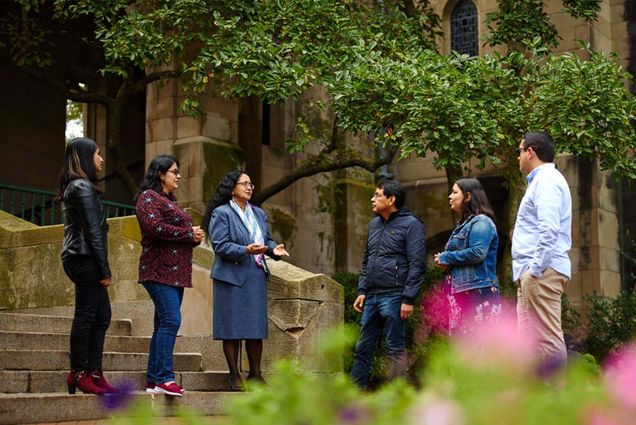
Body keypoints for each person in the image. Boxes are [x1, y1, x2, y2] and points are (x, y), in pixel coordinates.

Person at [201, 170, 289, 391]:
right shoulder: (221, 213)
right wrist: (245, 249)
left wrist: (273, 249)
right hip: (230, 276)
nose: (249, 187)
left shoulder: (258, 213)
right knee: (232, 328)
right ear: (232, 188)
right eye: (244, 184)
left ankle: (256, 374)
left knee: (255, 327)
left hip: (254, 275)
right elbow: (220, 245)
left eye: (251, 184)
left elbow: (265, 239)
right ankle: (234, 375)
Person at [135, 155, 203, 397]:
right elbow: (155, 228)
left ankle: (154, 379)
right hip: (157, 270)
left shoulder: (170, 201)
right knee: (171, 321)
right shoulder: (148, 198)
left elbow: (176, 234)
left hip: (177, 273)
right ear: (161, 174)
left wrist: (193, 237)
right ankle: (164, 377)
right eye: (174, 171)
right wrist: (187, 233)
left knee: (162, 324)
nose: (179, 175)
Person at [350, 180, 426, 389]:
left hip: (395, 295)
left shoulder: (411, 224)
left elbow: (417, 264)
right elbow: (367, 260)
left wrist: (408, 298)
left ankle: (396, 397)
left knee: (395, 349)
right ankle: (353, 395)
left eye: (377, 195)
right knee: (362, 348)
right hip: (372, 295)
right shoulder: (374, 224)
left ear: (391, 200)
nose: (372, 199)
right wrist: (362, 290)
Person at [58, 137, 117, 395]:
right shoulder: (82, 187)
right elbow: (94, 231)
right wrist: (104, 269)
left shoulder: (79, 186)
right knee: (86, 314)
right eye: (98, 154)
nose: (102, 159)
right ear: (85, 156)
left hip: (82, 256)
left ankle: (94, 373)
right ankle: (78, 373)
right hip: (84, 257)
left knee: (102, 315)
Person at [512, 131, 572, 364]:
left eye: (519, 151)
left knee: (547, 341)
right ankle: (536, 399)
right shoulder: (541, 180)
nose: (517, 157)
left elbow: (549, 229)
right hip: (533, 274)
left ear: (530, 151)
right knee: (528, 347)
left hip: (540, 272)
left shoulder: (547, 180)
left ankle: (557, 398)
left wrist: (534, 270)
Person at [434, 178, 501, 334]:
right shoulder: (463, 225)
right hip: (462, 294)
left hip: (476, 294)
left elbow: (478, 253)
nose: (450, 196)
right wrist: (446, 262)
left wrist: (447, 257)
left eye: (455, 192)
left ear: (468, 196)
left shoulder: (481, 222)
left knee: (478, 351)